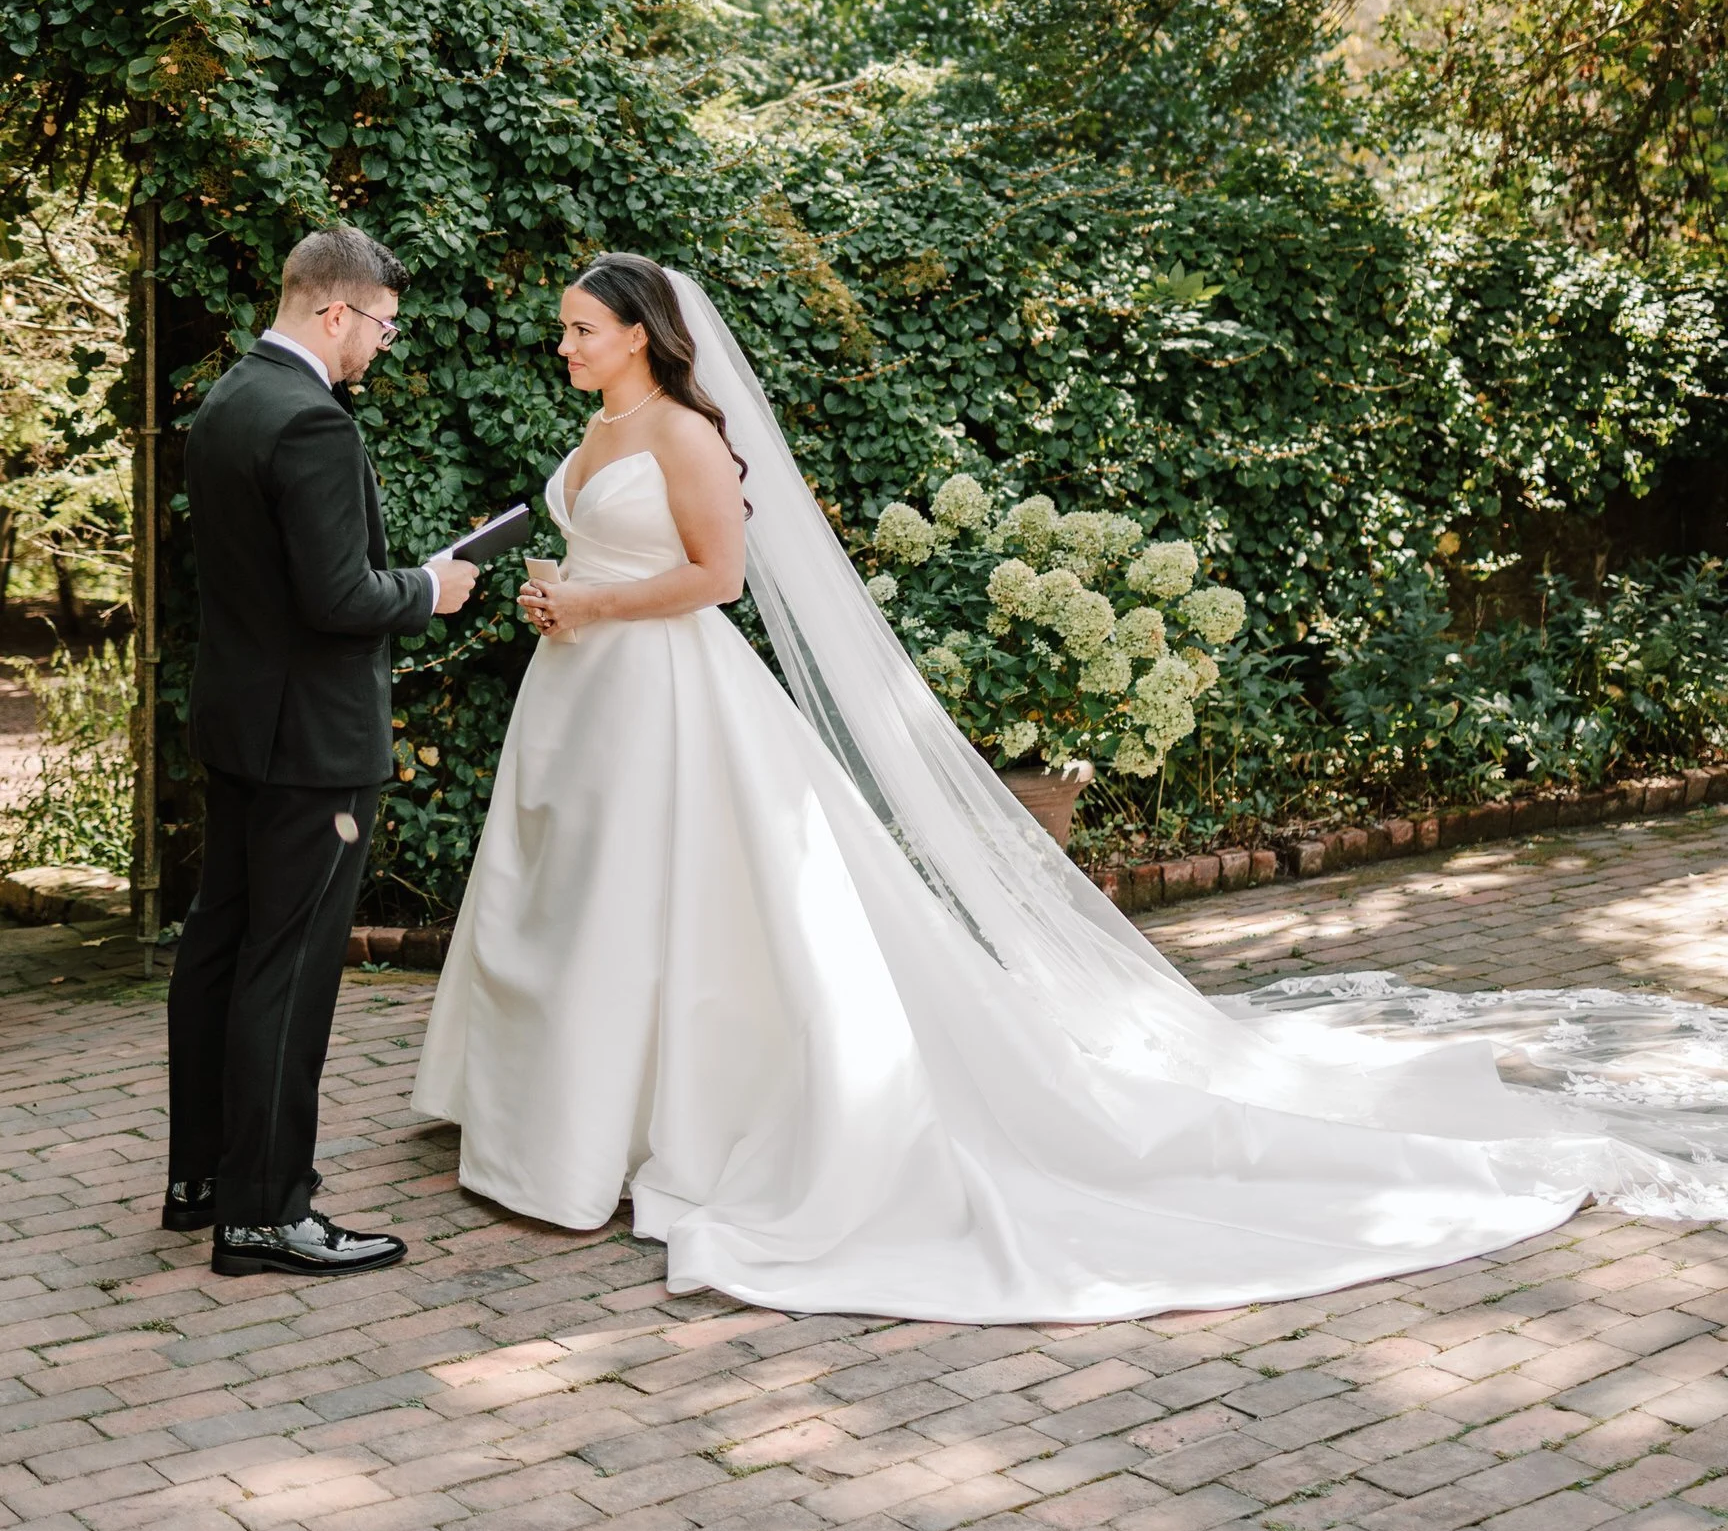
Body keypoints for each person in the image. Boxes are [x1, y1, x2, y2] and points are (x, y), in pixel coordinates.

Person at [413, 254, 1728, 1321]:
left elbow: (719, 581)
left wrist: (600, 596)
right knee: (577, 896)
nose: (569, 349)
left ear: (642, 334)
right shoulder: (597, 432)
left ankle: (649, 1132)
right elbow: (609, 556)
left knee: (677, 913)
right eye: (569, 335)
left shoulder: (689, 436)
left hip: (673, 698)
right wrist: (558, 598)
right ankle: (551, 1120)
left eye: (584, 331)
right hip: (582, 695)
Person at [167, 225, 477, 1278]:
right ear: (334, 311)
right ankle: (265, 1212)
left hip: (240, 722)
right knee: (288, 970)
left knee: (220, 947)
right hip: (312, 742)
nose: (382, 347)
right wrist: (430, 590)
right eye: (381, 327)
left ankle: (201, 1175)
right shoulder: (312, 424)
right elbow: (340, 599)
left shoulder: (229, 399)